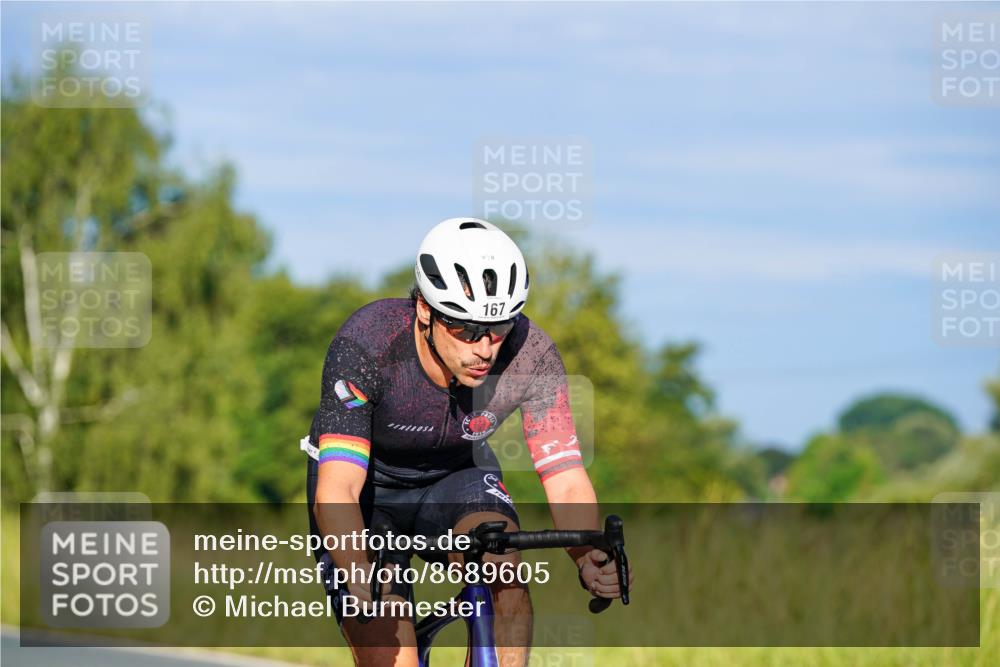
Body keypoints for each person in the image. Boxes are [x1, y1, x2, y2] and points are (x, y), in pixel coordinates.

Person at [304, 217, 628, 667]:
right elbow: (337, 489)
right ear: (424, 311)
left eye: (498, 328)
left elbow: (566, 478)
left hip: (457, 477)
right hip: (367, 491)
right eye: (467, 329)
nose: (485, 348)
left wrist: (586, 552)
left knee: (504, 569)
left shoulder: (532, 355)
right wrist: (356, 569)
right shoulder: (368, 345)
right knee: (389, 649)